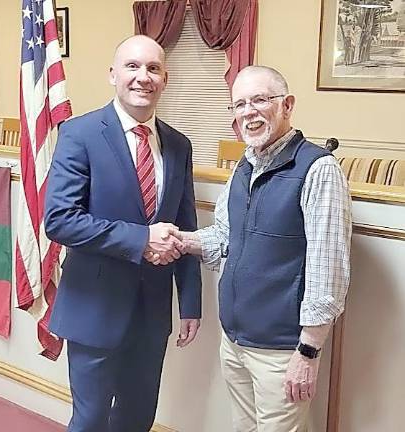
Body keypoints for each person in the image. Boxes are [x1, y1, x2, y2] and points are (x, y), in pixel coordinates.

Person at [150, 65, 352, 431]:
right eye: (239, 104)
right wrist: (183, 240)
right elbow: (226, 238)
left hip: (281, 350)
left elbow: (328, 272)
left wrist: (308, 352)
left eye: (260, 100)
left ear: (287, 105)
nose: (248, 111)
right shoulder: (245, 165)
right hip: (236, 342)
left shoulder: (318, 169)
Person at [44, 35, 202, 432]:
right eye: (132, 66)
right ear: (113, 75)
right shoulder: (79, 133)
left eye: (153, 68)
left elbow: (185, 229)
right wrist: (140, 239)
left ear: (165, 78)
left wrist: (191, 302)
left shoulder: (179, 145)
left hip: (151, 313)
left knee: (137, 419)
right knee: (91, 420)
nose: (142, 77)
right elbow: (60, 219)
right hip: (94, 309)